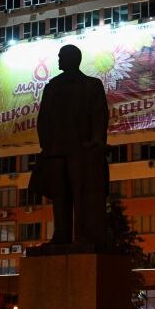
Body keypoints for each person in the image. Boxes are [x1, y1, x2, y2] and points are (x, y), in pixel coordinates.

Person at [35, 44, 109, 249]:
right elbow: (43, 118)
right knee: (60, 196)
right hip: (57, 151)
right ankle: (61, 235)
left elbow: (99, 114)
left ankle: (84, 236)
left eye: (61, 57)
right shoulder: (52, 87)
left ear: (72, 59)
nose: (58, 60)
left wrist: (95, 139)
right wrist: (46, 144)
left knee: (83, 195)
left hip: (81, 151)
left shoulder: (91, 85)